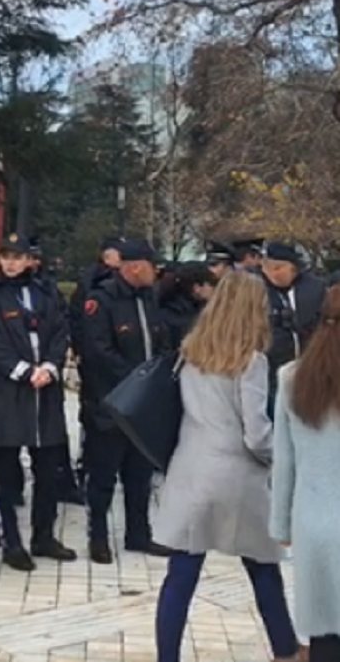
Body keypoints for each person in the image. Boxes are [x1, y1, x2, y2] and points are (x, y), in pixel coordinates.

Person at [154, 271, 297, 662]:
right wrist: (283, 459)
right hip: (237, 476)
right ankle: (285, 649)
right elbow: (256, 433)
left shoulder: (191, 351)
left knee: (181, 574)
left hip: (190, 468)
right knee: (263, 566)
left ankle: (167, 657)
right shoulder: (251, 361)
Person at [0, 233, 76, 571]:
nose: (11, 263)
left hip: (44, 392)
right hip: (7, 393)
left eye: (18, 257)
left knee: (48, 469)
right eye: (6, 256)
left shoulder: (47, 293)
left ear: (32, 260)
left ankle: (43, 535)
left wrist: (49, 366)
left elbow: (61, 331)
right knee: (4, 470)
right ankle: (11, 541)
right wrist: (21, 371)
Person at [80, 239, 171, 564]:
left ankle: (139, 533)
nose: (156, 271)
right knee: (103, 475)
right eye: (151, 265)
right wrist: (137, 378)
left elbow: (160, 341)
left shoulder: (149, 298)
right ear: (134, 267)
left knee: (139, 474)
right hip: (111, 404)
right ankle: (99, 537)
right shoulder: (101, 300)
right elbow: (98, 352)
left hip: (143, 408)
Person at [271, 285, 340, 662]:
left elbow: (285, 461)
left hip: (313, 525)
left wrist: (281, 526)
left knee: (324, 636)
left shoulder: (291, 377)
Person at [260, 242, 325, 416]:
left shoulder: (316, 288)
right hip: (272, 368)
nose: (273, 274)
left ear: (294, 268)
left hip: (309, 364)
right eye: (268, 268)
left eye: (279, 268)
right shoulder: (258, 290)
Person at [158, 262, 217, 352]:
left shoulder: (169, 310)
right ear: (197, 287)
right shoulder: (184, 318)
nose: (214, 289)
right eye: (211, 284)